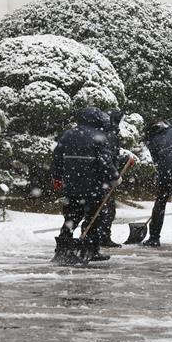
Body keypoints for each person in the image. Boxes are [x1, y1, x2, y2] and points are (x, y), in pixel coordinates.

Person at [51, 107, 121, 263]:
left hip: (71, 185)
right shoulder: (98, 136)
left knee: (71, 217)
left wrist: (57, 176)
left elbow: (57, 157)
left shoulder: (68, 135)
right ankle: (90, 249)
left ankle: (63, 247)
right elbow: (105, 161)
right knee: (94, 218)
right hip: (93, 186)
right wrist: (114, 176)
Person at [98, 108, 126, 248]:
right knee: (106, 209)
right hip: (105, 178)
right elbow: (107, 157)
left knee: (102, 209)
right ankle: (102, 237)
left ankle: (98, 237)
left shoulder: (105, 132)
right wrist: (113, 174)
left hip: (102, 176)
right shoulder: (110, 134)